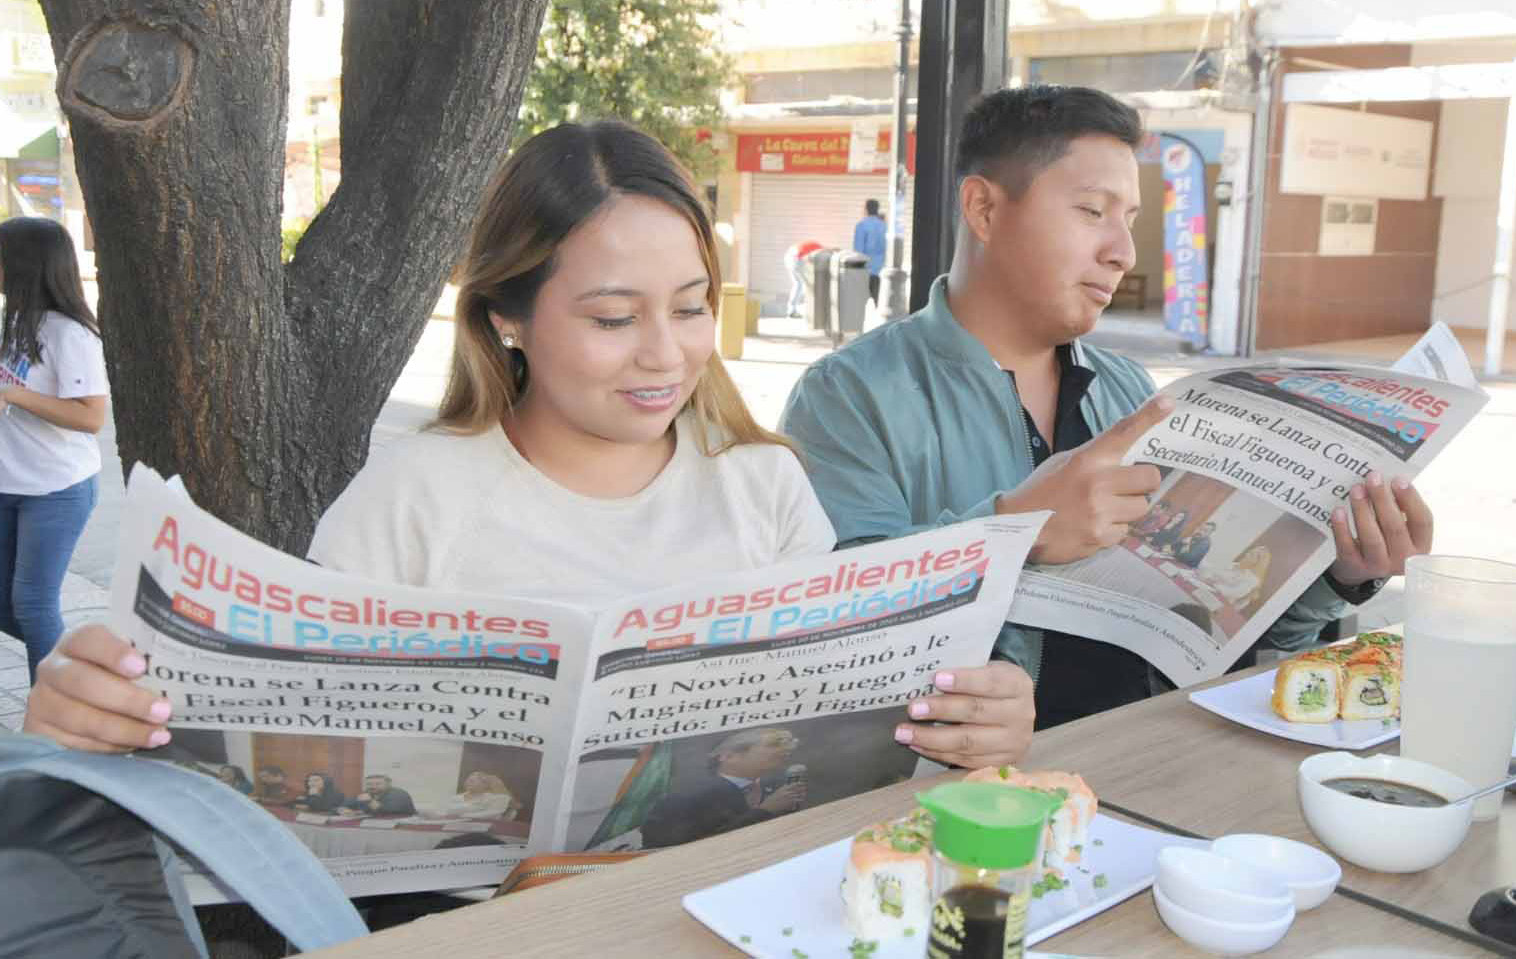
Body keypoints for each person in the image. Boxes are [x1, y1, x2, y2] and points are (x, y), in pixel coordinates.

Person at [26, 121, 1033, 770]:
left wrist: (962, 723)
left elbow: (829, 730)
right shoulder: (417, 492)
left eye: (690, 308)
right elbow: (276, 740)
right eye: (610, 317)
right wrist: (99, 710)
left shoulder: (763, 483)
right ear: (507, 314)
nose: (664, 354)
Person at [780, 85, 1434, 732]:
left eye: (1130, 221)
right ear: (983, 208)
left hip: (1155, 760)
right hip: (966, 795)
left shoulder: (1130, 393)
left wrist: (1341, 575)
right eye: (1093, 211)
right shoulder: (850, 395)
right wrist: (1021, 531)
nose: (1122, 252)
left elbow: (1218, 638)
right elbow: (841, 622)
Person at [0, 217, 109, 680]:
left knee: (33, 602)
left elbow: (90, 417)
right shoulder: (17, 321)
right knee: (12, 608)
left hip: (57, 488)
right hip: (9, 484)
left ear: (23, 264)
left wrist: (13, 394)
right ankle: (80, 672)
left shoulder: (71, 334)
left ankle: (49, 729)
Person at [641, 728, 805, 848]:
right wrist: (765, 810)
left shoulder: (777, 787)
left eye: (785, 752)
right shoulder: (686, 795)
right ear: (727, 756)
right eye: (772, 746)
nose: (783, 752)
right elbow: (674, 848)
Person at [431, 771, 518, 820]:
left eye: (472, 781)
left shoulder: (495, 798)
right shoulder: (455, 798)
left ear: (485, 785)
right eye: (468, 780)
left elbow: (493, 815)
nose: (468, 782)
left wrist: (461, 816)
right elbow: (441, 811)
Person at [852, 199, 887, 304]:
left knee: (861, 304)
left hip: (864, 270)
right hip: (880, 271)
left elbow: (858, 250)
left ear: (866, 209)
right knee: (878, 302)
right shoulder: (884, 226)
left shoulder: (861, 225)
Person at [343, 773, 417, 817]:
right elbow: (345, 803)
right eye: (369, 784)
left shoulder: (399, 794)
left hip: (401, 826)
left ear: (388, 784)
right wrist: (343, 809)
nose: (373, 786)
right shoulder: (368, 793)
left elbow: (385, 812)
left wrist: (370, 801)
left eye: (378, 784)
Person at [784, 239, 823, 317]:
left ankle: (792, 310)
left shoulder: (816, 247)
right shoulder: (820, 250)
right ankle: (805, 309)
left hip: (789, 257)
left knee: (798, 284)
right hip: (797, 258)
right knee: (805, 285)